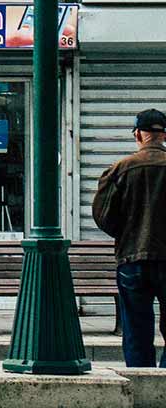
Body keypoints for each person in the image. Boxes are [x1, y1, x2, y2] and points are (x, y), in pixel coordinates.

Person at [92, 108, 166, 367]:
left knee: (136, 329)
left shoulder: (120, 169)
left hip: (132, 259)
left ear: (138, 134)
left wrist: (126, 233)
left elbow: (102, 215)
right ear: (163, 135)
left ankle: (141, 383)